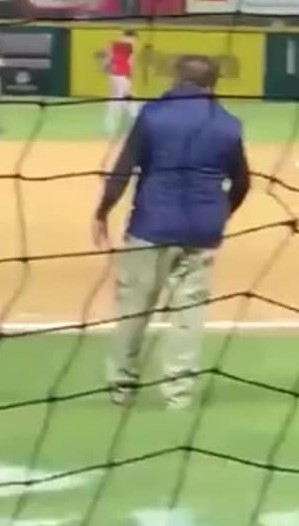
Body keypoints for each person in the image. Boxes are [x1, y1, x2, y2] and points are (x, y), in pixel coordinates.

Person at [91, 55, 251, 409]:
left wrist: (102, 211)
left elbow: (123, 169)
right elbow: (242, 183)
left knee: (134, 311)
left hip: (151, 226)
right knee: (188, 317)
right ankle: (178, 396)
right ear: (213, 85)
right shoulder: (229, 124)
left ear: (178, 78)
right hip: (203, 232)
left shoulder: (153, 115)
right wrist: (220, 213)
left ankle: (122, 388)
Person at [99, 30, 140, 137]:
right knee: (124, 100)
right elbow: (130, 63)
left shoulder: (114, 45)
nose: (135, 41)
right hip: (122, 76)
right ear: (130, 37)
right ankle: (132, 123)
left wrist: (107, 70)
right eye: (134, 38)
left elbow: (108, 59)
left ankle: (109, 127)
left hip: (115, 75)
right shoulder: (129, 45)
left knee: (119, 99)